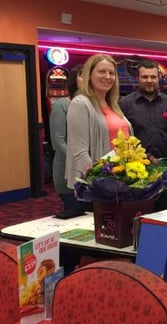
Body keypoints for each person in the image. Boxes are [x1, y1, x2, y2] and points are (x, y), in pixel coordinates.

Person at [66, 54, 132, 191]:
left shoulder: (113, 104)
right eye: (102, 71)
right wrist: (97, 182)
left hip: (122, 179)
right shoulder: (80, 103)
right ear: (89, 75)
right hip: (100, 184)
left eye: (111, 73)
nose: (107, 77)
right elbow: (80, 153)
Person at [119, 59, 167, 159]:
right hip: (136, 164)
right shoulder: (125, 104)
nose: (149, 81)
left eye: (153, 77)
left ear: (159, 78)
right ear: (137, 78)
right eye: (145, 77)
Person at [49, 64, 83, 214]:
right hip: (68, 172)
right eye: (83, 75)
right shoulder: (62, 105)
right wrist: (82, 162)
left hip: (90, 175)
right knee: (76, 216)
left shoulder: (96, 105)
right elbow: (58, 142)